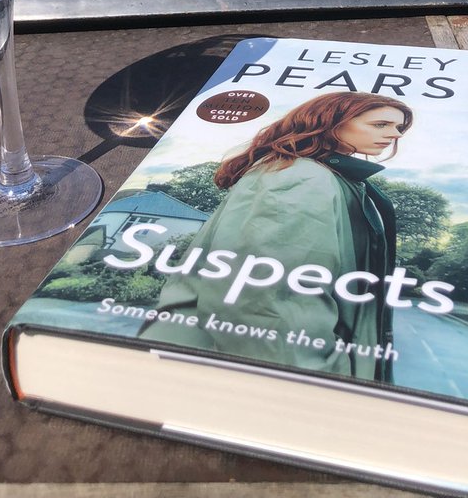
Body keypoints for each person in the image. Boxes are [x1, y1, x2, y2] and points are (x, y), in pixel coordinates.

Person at [138, 91, 414, 380]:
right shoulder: (301, 177)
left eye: (399, 128)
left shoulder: (318, 175)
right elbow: (265, 299)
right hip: (240, 376)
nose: (394, 135)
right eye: (381, 124)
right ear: (331, 121)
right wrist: (311, 380)